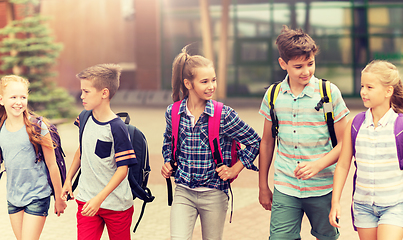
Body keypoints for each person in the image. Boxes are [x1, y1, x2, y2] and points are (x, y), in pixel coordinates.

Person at [258, 25, 349, 240]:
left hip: (324, 188)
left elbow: (346, 143)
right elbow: (267, 143)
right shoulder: (273, 95)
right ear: (283, 64)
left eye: (310, 64)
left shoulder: (329, 93)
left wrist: (317, 165)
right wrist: (263, 185)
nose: (306, 71)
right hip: (285, 187)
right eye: (298, 66)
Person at [161, 46, 261, 240]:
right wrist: (167, 161)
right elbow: (168, 140)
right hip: (183, 191)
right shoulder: (173, 113)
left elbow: (255, 142)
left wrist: (235, 169)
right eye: (204, 81)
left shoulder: (224, 114)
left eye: (213, 80)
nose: (211, 86)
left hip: (215, 193)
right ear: (188, 84)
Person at [61, 64, 137, 240]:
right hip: (87, 201)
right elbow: (82, 150)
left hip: (116, 205)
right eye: (82, 91)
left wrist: (99, 199)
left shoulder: (117, 127)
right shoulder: (84, 117)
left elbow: (122, 170)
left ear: (104, 93)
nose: (81, 96)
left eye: (86, 91)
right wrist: (68, 180)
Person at [329, 60, 403, 240]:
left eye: (370, 87)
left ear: (388, 91)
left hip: (395, 204)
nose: (363, 91)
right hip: (363, 206)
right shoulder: (355, 124)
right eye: (362, 86)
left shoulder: (400, 125)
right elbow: (343, 165)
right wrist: (335, 201)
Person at [0, 75, 67, 240]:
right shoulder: (1, 127)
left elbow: (52, 165)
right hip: (14, 197)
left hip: (37, 195)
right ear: (2, 100)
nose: (19, 101)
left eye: (23, 97)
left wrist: (59, 198)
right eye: (13, 97)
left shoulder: (38, 127)